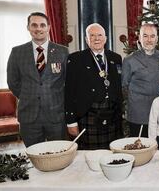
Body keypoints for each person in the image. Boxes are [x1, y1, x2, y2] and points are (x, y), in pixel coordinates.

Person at [7, 12, 69, 147]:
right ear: (28, 28)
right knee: (34, 157)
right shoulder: (17, 52)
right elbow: (13, 82)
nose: (38, 28)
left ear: (49, 28)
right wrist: (28, 95)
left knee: (59, 155)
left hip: (56, 116)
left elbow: (68, 82)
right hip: (29, 117)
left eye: (42, 25)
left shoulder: (63, 52)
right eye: (34, 25)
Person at [65, 23, 123, 150]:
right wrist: (71, 121)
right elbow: (69, 92)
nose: (96, 38)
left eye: (100, 35)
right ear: (86, 39)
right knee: (89, 156)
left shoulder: (116, 58)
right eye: (92, 35)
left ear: (105, 38)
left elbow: (118, 87)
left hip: (112, 115)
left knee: (113, 153)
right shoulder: (76, 59)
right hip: (88, 115)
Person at [122, 24, 159, 138]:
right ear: (139, 39)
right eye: (145, 36)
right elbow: (124, 86)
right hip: (138, 114)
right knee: (139, 148)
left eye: (152, 36)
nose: (149, 40)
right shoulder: (129, 60)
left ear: (157, 39)